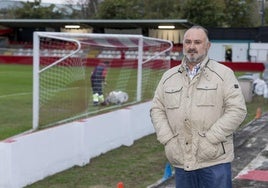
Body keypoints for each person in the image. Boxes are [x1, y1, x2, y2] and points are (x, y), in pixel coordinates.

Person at [150, 25, 247, 188]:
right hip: (181, 161)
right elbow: (157, 109)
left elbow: (237, 110)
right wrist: (168, 139)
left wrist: (211, 139)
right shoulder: (168, 77)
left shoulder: (223, 74)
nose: (192, 46)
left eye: (197, 42)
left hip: (214, 161)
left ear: (207, 46)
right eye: (188, 42)